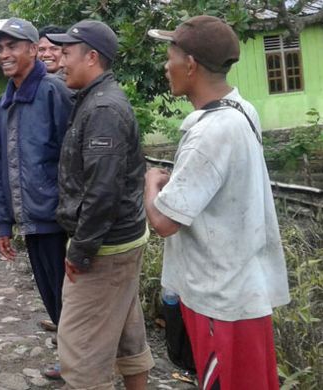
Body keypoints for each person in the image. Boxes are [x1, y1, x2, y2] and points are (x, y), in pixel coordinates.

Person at [145, 16, 290, 390]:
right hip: (242, 287)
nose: (166, 65)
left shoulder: (210, 134)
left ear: (190, 65)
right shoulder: (241, 110)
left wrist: (152, 183)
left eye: (170, 56)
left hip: (219, 301)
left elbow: (163, 222)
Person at [48, 20, 153, 389]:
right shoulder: (92, 99)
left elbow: (102, 191)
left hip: (105, 247)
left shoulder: (103, 109)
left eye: (66, 54)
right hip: (121, 241)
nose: (60, 62)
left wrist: (80, 251)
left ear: (91, 57)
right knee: (127, 330)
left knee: (79, 352)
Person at [0, 17, 73, 377]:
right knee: (51, 294)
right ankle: (72, 360)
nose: (4, 54)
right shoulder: (2, 108)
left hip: (62, 220)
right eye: (0, 49)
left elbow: (74, 156)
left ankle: (81, 364)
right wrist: (3, 222)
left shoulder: (54, 92)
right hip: (31, 220)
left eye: (12, 46)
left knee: (73, 298)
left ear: (34, 50)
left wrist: (75, 213)